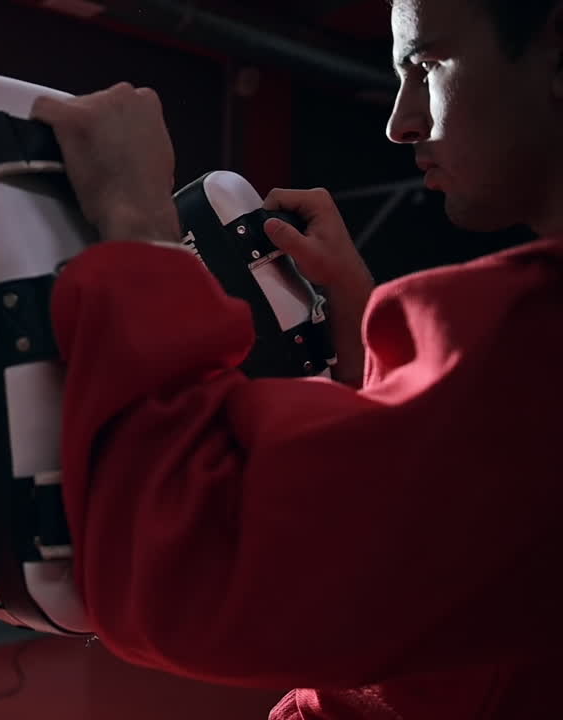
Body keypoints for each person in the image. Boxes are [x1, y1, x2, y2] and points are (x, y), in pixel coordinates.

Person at [30, 0, 562, 717]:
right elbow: (427, 534)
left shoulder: (530, 351)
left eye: (428, 65)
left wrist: (135, 223)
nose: (400, 123)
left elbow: (190, 575)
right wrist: (357, 320)